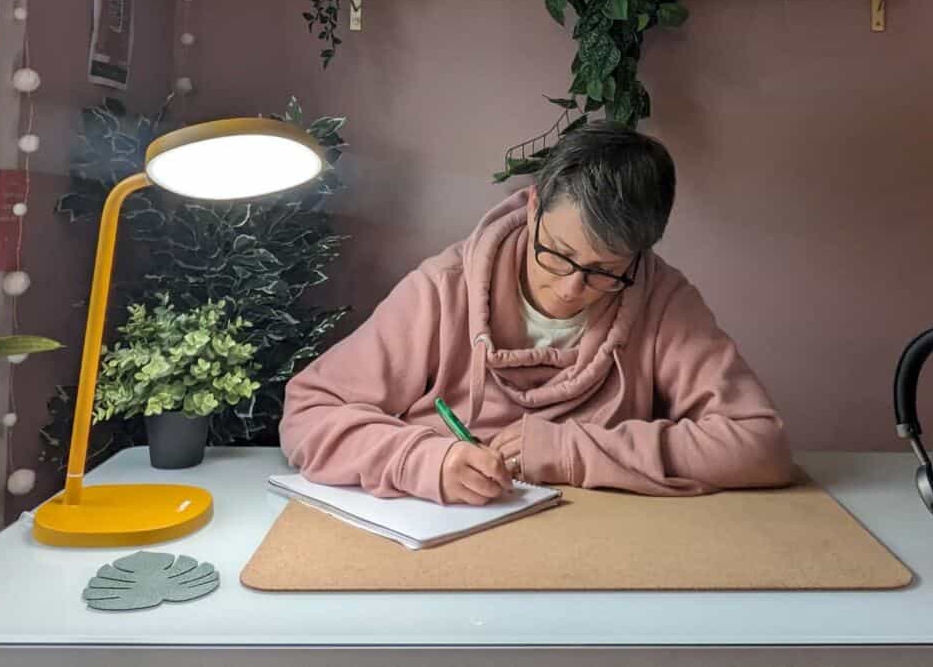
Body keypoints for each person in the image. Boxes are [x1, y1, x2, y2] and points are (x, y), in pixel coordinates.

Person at [280, 123, 797, 505]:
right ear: (531, 208)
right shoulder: (443, 289)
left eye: (604, 270)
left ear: (638, 256)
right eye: (557, 253)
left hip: (605, 550)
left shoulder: (660, 296)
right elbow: (307, 414)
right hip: (447, 536)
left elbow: (760, 444)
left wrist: (571, 450)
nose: (572, 287)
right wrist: (426, 460)